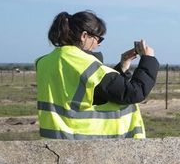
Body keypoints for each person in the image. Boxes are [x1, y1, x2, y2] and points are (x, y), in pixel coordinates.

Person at [36, 10, 158, 140]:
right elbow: (133, 93)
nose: (98, 44)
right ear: (84, 36)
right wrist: (148, 59)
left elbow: (95, 94)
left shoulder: (44, 62)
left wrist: (123, 66)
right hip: (84, 140)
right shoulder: (85, 63)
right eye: (98, 38)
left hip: (54, 139)